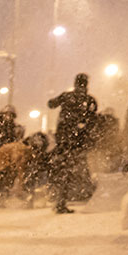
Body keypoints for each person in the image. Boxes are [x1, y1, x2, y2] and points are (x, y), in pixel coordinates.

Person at [46, 73, 99, 213]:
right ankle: (88, 197)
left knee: (64, 170)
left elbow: (51, 104)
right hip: (79, 141)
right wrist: (83, 129)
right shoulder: (89, 100)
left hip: (64, 140)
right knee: (81, 167)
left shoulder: (67, 96)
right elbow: (93, 120)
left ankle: (60, 200)